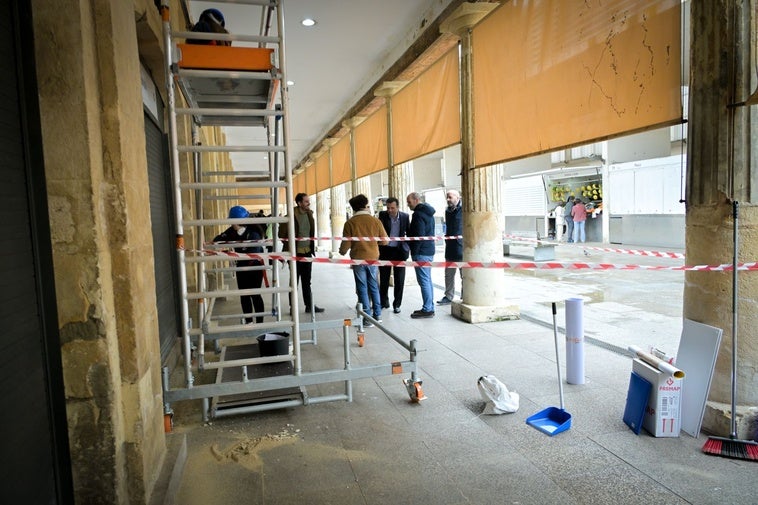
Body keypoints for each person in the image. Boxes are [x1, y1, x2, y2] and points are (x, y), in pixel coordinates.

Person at [339, 194, 388, 326]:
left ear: (353, 207)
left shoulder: (350, 223)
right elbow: (385, 241)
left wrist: (342, 251)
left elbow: (346, 245)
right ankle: (377, 315)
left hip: (358, 259)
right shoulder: (375, 221)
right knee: (373, 286)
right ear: (365, 205)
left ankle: (366, 317)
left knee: (362, 287)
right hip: (373, 258)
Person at [213, 206, 265, 324]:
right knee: (244, 295)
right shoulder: (231, 231)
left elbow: (253, 251)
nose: (230, 223)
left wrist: (235, 252)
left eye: (232, 220)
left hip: (254, 267)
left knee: (255, 294)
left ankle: (260, 322)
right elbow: (218, 239)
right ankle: (248, 321)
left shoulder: (254, 233)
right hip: (241, 268)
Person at [279, 193, 324, 313]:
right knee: (294, 281)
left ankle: (309, 306)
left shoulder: (310, 214)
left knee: (306, 281)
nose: (308, 203)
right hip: (295, 254)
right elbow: (281, 235)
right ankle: (292, 307)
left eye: (308, 201)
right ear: (299, 203)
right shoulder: (290, 216)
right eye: (306, 201)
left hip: (307, 252)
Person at [377, 197, 410, 314]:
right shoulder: (382, 215)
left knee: (399, 279)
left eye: (392, 208)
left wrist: (407, 247)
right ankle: (384, 302)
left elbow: (409, 233)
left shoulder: (405, 217)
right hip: (385, 251)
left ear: (398, 207)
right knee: (384, 278)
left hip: (400, 252)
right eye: (388, 208)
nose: (390, 210)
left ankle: (397, 304)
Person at [406, 192, 436, 319]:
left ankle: (427, 309)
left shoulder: (418, 215)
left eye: (409, 202)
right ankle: (429, 306)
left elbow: (419, 235)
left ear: (416, 200)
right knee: (427, 280)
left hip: (421, 252)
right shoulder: (428, 212)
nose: (408, 204)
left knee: (424, 280)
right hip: (429, 250)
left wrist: (414, 252)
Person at [438, 189, 463, 305]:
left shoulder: (463, 210)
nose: (448, 200)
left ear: (458, 198)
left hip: (462, 248)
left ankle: (465, 296)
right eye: (447, 197)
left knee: (464, 275)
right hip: (450, 248)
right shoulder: (447, 211)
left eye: (450, 197)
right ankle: (448, 296)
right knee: (448, 274)